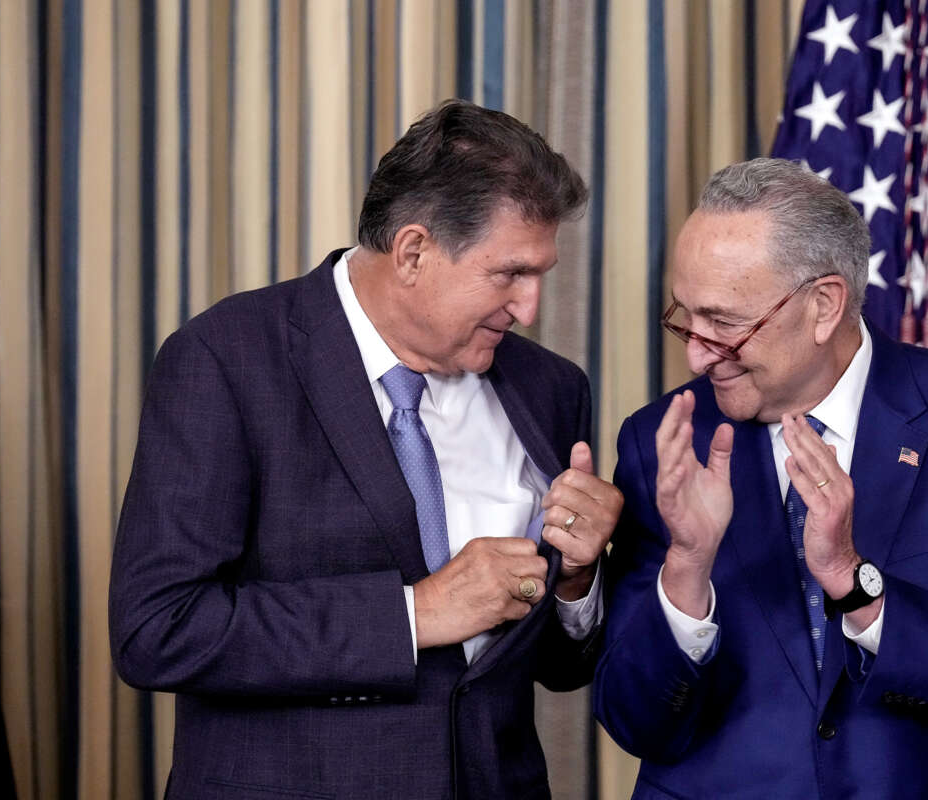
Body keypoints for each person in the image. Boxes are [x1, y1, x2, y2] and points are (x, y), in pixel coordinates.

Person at [110, 99, 622, 800]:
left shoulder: (551, 389)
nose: (530, 308)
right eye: (509, 275)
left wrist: (578, 581)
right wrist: (417, 615)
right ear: (413, 251)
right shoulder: (225, 359)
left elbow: (561, 668)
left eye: (541, 274)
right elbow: (157, 629)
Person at [593, 158, 928, 799]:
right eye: (686, 314)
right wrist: (686, 567)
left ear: (824, 306)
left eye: (727, 324)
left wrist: (858, 587)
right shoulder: (664, 445)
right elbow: (635, 720)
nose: (696, 353)